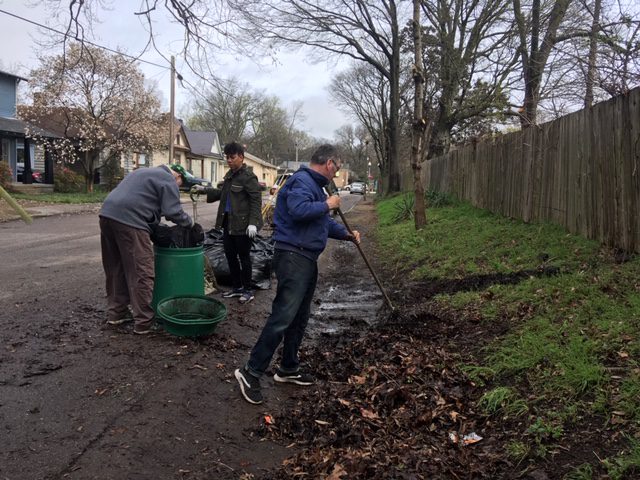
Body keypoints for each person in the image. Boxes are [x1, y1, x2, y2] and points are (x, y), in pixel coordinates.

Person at [234, 144, 360, 404]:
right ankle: (251, 371)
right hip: (293, 257)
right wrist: (327, 204)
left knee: (300, 317)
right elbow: (299, 211)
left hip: (307, 258)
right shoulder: (302, 181)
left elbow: (322, 223)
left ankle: (288, 368)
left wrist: (346, 235)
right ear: (329, 164)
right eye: (336, 169)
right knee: (283, 316)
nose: (335, 175)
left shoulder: (315, 187)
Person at [99, 164, 193, 335]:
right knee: (142, 270)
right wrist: (189, 223)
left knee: (116, 267)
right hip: (131, 221)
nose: (178, 188)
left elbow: (141, 200)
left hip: (107, 215)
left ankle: (116, 313)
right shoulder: (168, 179)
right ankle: (144, 322)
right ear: (177, 176)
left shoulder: (143, 172)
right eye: (180, 184)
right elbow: (173, 211)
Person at [191, 142, 263, 304]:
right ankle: (237, 288)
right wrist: (204, 190)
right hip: (228, 223)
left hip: (243, 225)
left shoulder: (248, 177)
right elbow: (222, 194)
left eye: (232, 157)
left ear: (241, 158)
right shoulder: (229, 176)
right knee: (230, 256)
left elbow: (256, 201)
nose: (229, 160)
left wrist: (253, 223)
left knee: (244, 257)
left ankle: (248, 290)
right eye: (227, 157)